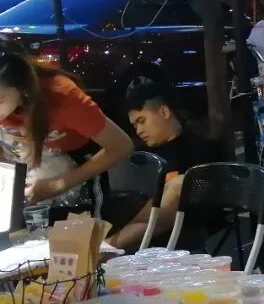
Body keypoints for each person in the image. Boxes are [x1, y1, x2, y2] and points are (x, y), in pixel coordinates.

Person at [0, 44, 132, 214]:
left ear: (22, 88)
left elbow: (122, 146)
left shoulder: (63, 97)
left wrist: (58, 184)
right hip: (24, 184)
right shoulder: (8, 103)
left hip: (77, 181)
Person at [106, 83, 223, 249]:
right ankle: (105, 245)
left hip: (186, 223)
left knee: (176, 187)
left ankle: (106, 246)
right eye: (135, 126)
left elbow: (202, 198)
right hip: (145, 225)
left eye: (142, 121)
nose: (139, 131)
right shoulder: (141, 156)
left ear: (164, 112)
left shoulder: (200, 149)